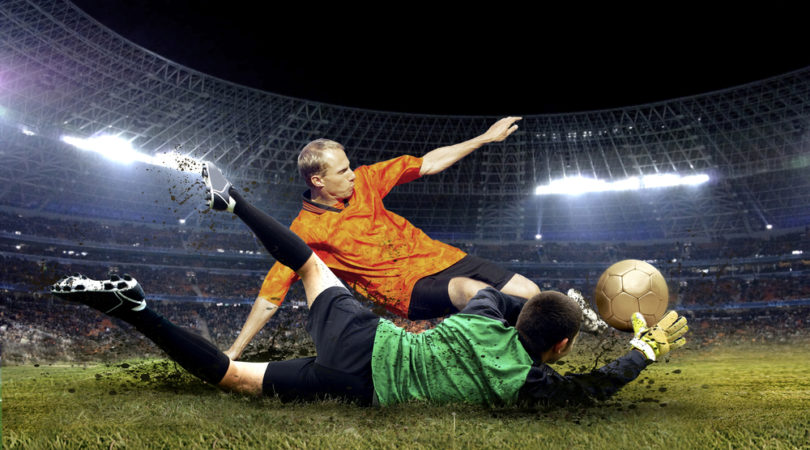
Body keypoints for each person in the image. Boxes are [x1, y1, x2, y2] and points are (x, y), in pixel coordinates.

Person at [50, 164, 688, 407]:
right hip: (359, 381)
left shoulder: (488, 312)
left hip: (364, 333)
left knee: (307, 263)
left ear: (518, 318)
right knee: (231, 379)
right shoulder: (525, 382)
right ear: (557, 351)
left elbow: (478, 288)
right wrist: (646, 349)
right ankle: (134, 310)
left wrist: (538, 301)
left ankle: (233, 199)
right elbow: (594, 391)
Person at [226, 116, 606, 360]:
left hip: (439, 255)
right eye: (343, 172)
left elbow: (428, 162)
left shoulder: (367, 181)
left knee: (528, 288)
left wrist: (484, 138)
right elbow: (270, 296)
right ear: (318, 181)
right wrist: (234, 351)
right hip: (406, 291)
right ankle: (535, 355)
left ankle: (555, 327)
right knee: (467, 291)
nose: (353, 175)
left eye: (350, 166)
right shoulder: (304, 232)